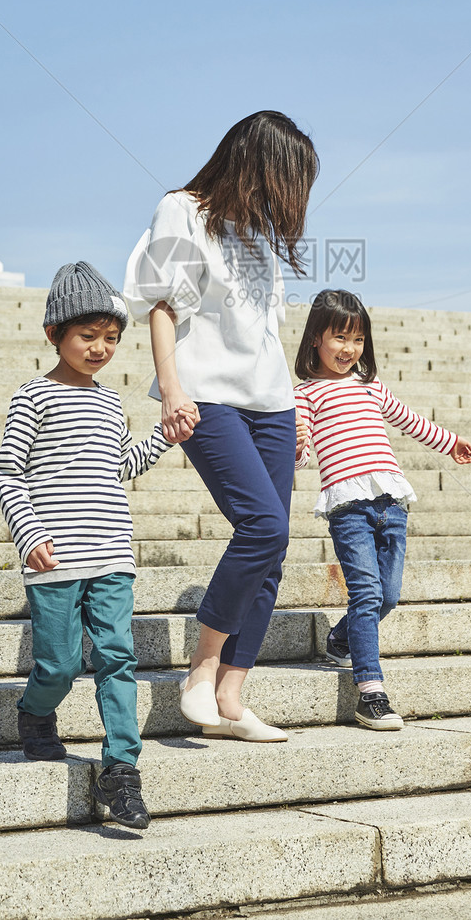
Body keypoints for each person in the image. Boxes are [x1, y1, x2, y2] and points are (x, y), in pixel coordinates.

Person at [124, 110, 319, 743]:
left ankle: (232, 696)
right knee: (261, 525)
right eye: (285, 178)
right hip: (208, 397)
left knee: (275, 544)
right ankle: (201, 670)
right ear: (256, 162)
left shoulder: (258, 235)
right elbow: (159, 304)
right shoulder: (180, 209)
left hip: (271, 404)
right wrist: (171, 390)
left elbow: (266, 334)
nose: (288, 197)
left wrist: (294, 410)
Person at [0, 260, 183, 830]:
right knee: (57, 663)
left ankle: (122, 772)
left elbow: (121, 464)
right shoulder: (32, 397)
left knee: (118, 659)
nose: (100, 348)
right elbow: (6, 473)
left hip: (112, 555)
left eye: (111, 339)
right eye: (87, 336)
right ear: (54, 335)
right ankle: (34, 712)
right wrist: (29, 534)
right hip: (53, 556)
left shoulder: (108, 402)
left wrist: (163, 437)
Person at [294, 289, 471, 730]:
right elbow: (298, 457)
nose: (349, 349)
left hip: (392, 505)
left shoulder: (369, 385)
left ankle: (340, 638)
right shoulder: (305, 394)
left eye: (357, 340)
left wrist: (450, 443)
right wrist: (296, 444)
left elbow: (410, 420)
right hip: (349, 508)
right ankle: (370, 693)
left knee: (388, 595)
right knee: (367, 594)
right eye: (339, 338)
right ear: (316, 338)